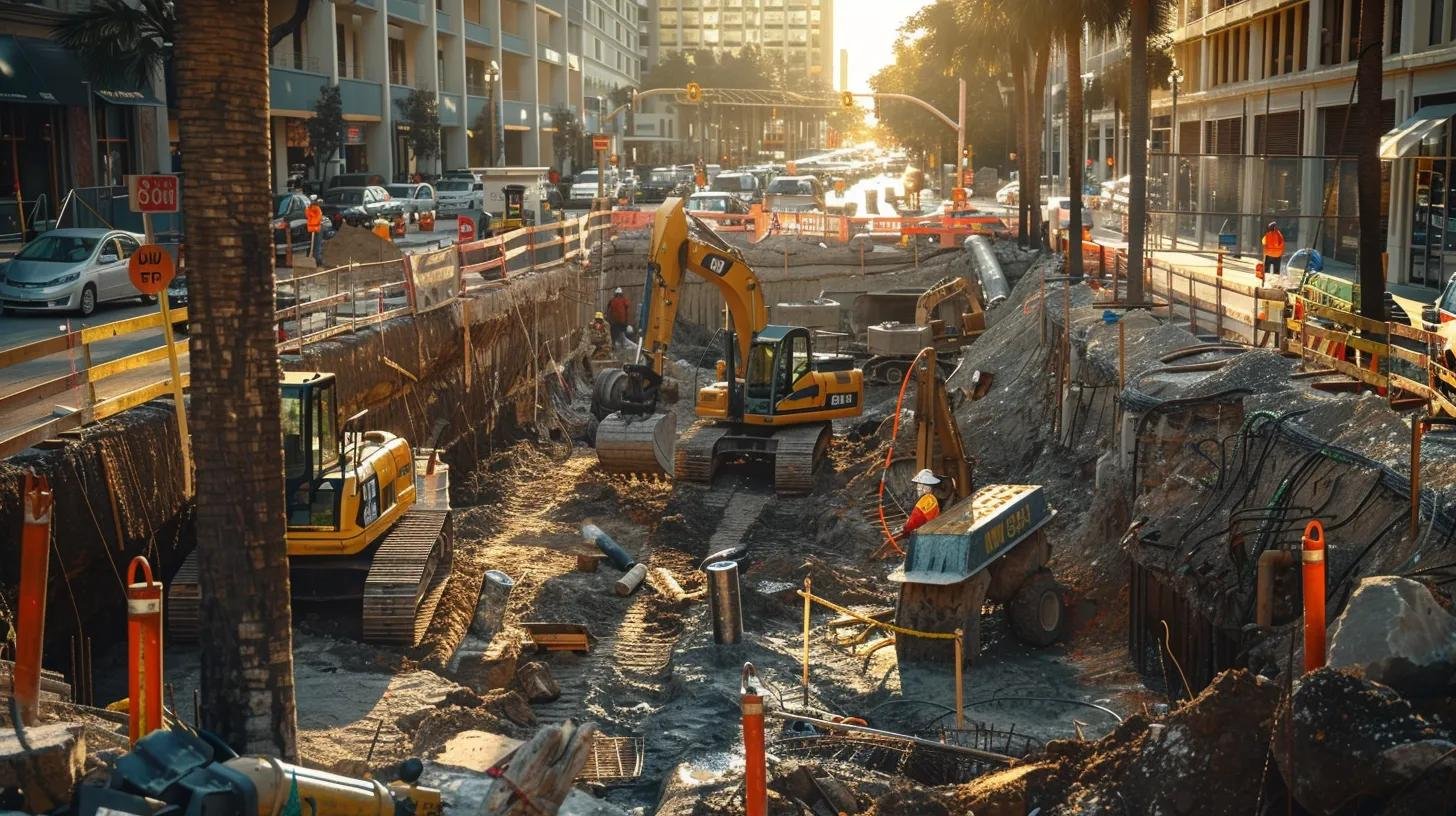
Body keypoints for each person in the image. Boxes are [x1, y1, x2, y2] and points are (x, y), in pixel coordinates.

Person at [898, 469, 942, 540]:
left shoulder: (926, 500)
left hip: (924, 534)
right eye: (918, 486)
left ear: (927, 488)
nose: (918, 489)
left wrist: (905, 529)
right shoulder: (932, 498)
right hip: (931, 531)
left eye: (920, 486)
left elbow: (915, 519)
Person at [305, 196, 324, 262]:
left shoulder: (310, 208)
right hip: (315, 228)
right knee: (316, 244)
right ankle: (316, 259)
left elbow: (312, 217)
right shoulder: (314, 209)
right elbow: (317, 218)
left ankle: (314, 258)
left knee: (314, 245)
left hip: (312, 228)